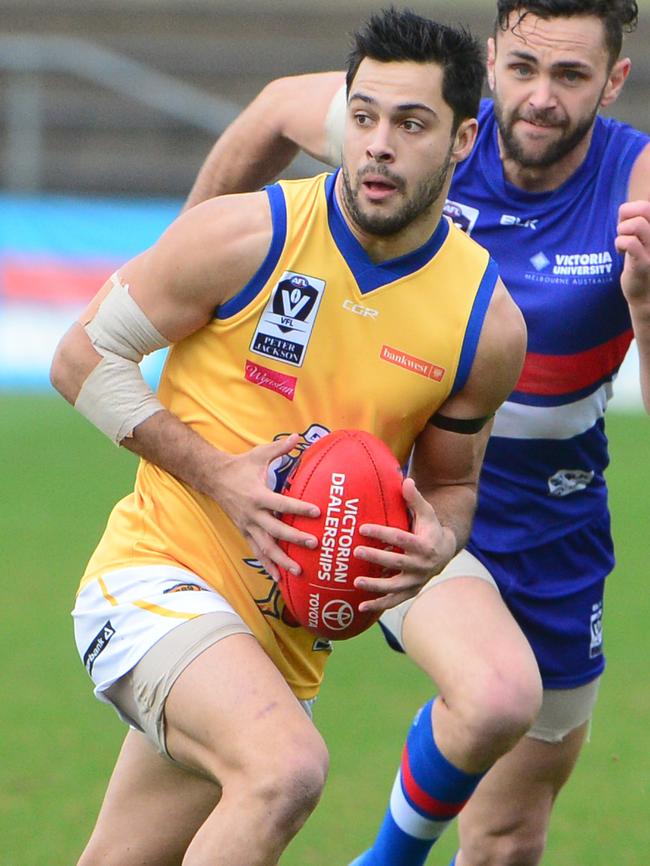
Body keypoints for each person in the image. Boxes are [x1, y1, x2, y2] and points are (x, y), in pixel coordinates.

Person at [50, 9, 538, 866]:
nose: (379, 144)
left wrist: (436, 543)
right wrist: (219, 475)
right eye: (364, 116)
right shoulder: (247, 234)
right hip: (155, 581)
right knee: (284, 771)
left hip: (279, 644)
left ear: (465, 141)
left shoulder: (483, 323)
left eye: (411, 123)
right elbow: (80, 356)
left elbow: (453, 486)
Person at [184, 1, 650, 865]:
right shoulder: (426, 138)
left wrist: (647, 311)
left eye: (572, 76)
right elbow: (276, 107)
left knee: (509, 838)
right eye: (522, 69)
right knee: (496, 692)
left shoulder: (637, 186)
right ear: (491, 57)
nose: (541, 97)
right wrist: (191, 259)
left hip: (556, 521)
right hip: (398, 494)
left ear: (614, 80)